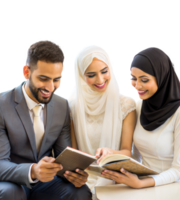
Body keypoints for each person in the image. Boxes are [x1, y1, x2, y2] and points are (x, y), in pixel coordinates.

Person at [0, 38, 92, 200]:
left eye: (57, 80)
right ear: (25, 72)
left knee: (79, 191)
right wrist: (32, 170)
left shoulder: (61, 105)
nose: (50, 88)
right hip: (10, 179)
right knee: (11, 193)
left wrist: (73, 175)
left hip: (45, 181)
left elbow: (63, 157)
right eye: (43, 79)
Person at [101, 46, 180, 188]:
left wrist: (142, 183)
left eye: (144, 80)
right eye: (133, 78)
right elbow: (137, 157)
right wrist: (112, 157)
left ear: (162, 78)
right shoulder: (138, 107)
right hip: (144, 183)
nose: (137, 85)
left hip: (175, 187)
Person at [67, 44, 136, 199]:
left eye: (104, 71)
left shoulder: (126, 104)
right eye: (91, 75)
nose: (100, 80)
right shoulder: (72, 107)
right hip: (83, 178)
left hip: (116, 176)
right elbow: (74, 153)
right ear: (80, 76)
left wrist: (111, 153)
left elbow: (127, 151)